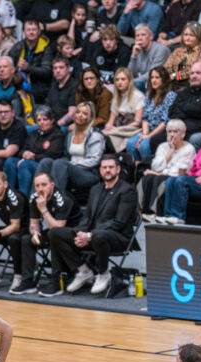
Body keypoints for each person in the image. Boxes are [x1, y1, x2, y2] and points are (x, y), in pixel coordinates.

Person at [45, 155, 136, 296]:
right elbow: (86, 218)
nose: (108, 170)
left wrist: (89, 235)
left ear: (118, 169)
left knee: (99, 236)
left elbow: (119, 222)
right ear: (99, 170)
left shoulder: (127, 190)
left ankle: (103, 273)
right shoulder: (95, 189)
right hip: (92, 235)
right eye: (104, 167)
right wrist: (80, 234)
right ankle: (83, 271)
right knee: (55, 233)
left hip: (117, 237)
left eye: (111, 167)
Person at [12, 170, 81, 295]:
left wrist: (43, 209)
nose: (40, 189)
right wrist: (35, 234)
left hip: (73, 233)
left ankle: (55, 283)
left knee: (53, 236)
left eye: (44, 185)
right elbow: (34, 223)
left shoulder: (62, 199)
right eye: (37, 186)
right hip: (53, 231)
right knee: (27, 239)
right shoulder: (35, 198)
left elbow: (58, 228)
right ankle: (28, 281)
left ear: (52, 185)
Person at [39, 101, 104, 195]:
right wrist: (68, 164)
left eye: (85, 114)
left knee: (61, 163)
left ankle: (57, 198)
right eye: (78, 112)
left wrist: (71, 164)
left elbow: (94, 161)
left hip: (88, 173)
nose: (80, 115)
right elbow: (66, 156)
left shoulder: (95, 136)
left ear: (90, 118)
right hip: (70, 169)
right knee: (46, 162)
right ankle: (36, 198)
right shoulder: (70, 135)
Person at [3, 105, 65, 196]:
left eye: (45, 119)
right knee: (10, 161)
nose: (42, 122)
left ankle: (23, 199)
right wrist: (24, 153)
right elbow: (22, 149)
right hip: (29, 160)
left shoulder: (57, 134)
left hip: (45, 165)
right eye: (39, 120)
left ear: (52, 120)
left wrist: (32, 157)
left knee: (25, 165)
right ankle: (9, 196)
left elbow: (52, 155)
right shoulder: (33, 134)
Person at [138, 119, 195, 216]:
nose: (172, 135)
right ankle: (140, 211)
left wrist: (159, 173)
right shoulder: (162, 146)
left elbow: (179, 171)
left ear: (183, 134)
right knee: (147, 178)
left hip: (175, 178)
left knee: (159, 180)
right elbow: (155, 166)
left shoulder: (189, 149)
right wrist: (171, 150)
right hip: (163, 174)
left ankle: (154, 212)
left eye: (175, 132)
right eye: (169, 131)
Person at [128, 67, 178, 161]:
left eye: (157, 77)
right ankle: (136, 170)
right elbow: (145, 117)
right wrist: (145, 134)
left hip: (161, 132)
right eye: (152, 77)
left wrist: (148, 136)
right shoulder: (149, 94)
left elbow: (165, 122)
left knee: (144, 145)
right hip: (148, 130)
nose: (154, 80)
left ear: (164, 79)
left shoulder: (170, 95)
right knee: (130, 143)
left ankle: (147, 168)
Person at [104, 67, 146, 152]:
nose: (120, 82)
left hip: (131, 128)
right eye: (117, 80)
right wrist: (109, 126)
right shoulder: (115, 98)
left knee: (111, 141)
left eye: (123, 79)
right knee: (103, 138)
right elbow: (110, 121)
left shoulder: (138, 96)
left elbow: (137, 122)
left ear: (129, 81)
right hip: (118, 127)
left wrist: (118, 129)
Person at [9, 19, 53, 99]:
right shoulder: (18, 47)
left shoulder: (46, 48)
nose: (31, 32)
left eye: (34, 29)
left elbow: (47, 71)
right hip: (19, 83)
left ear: (39, 31)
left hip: (39, 85)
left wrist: (28, 68)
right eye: (28, 30)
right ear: (24, 32)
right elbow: (8, 67)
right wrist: (17, 68)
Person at [163, 23, 201, 91]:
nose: (187, 38)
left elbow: (198, 69)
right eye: (185, 35)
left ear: (199, 36)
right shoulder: (179, 50)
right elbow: (166, 67)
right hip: (172, 83)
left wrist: (175, 75)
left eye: (191, 35)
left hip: (191, 84)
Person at [129, 23, 170, 90]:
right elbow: (131, 74)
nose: (140, 38)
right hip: (144, 83)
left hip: (159, 84)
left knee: (136, 85)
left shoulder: (161, 49)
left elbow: (152, 74)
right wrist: (134, 56)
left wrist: (130, 82)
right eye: (137, 36)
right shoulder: (138, 50)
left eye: (143, 35)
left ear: (151, 36)